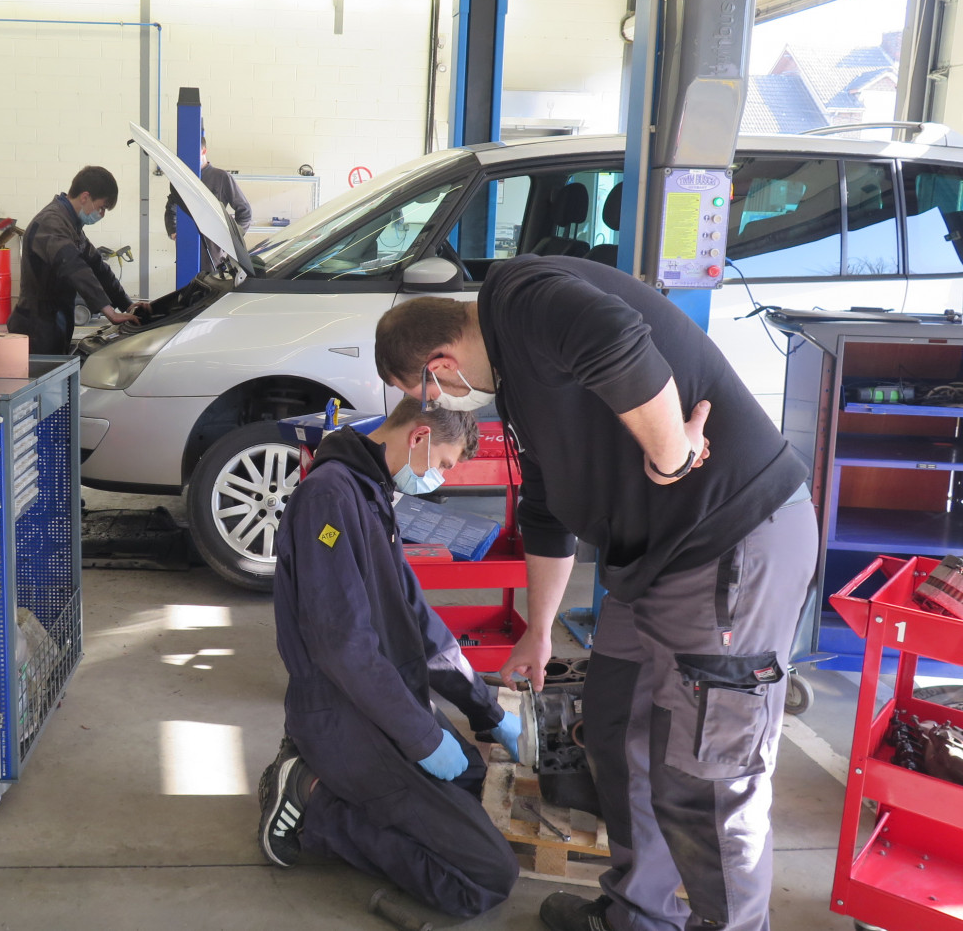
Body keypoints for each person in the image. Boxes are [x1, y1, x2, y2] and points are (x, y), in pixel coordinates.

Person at [372, 254, 817, 931]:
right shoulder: (522, 383)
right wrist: (539, 629)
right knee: (614, 730)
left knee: (708, 781)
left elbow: (614, 337)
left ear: (440, 362)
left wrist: (672, 455)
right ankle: (639, 913)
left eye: (427, 392)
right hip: (649, 565)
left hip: (729, 546)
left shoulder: (521, 296)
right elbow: (547, 510)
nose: (437, 404)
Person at [257, 396, 521, 918]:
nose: (439, 479)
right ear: (419, 438)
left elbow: (420, 622)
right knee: (487, 876)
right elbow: (342, 646)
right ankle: (313, 800)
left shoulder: (370, 490)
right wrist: (422, 739)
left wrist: (487, 712)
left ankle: (344, 785)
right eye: (443, 465)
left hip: (382, 699)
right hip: (339, 713)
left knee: (470, 781)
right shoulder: (328, 498)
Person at [8, 165, 147, 355]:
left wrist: (127, 304)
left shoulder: (71, 225)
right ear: (85, 197)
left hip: (55, 321)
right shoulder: (51, 223)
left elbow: (97, 266)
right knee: (44, 381)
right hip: (36, 327)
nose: (102, 214)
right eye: (102, 207)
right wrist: (109, 312)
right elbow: (73, 266)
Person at [164, 136, 252, 270]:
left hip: (213, 252)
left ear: (204, 151)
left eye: (194, 153)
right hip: (187, 247)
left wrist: (232, 239)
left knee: (212, 286)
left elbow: (245, 211)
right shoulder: (180, 180)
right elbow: (171, 207)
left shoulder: (221, 177)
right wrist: (173, 230)